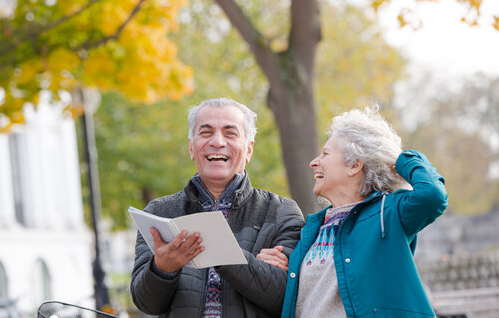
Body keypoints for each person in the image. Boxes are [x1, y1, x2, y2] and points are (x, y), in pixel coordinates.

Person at [130, 97, 305, 318]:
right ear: (192, 148)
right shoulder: (158, 212)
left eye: (230, 133)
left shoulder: (282, 212)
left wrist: (219, 250)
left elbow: (287, 297)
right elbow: (146, 304)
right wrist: (162, 269)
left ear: (249, 149)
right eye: (206, 132)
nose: (218, 141)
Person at [269, 106, 447, 318]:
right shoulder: (311, 229)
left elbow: (432, 195)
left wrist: (397, 157)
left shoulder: (388, 213)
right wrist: (274, 265)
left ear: (354, 165)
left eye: (325, 153)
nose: (314, 162)